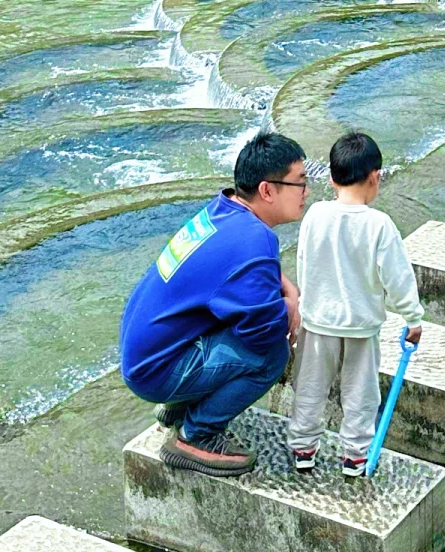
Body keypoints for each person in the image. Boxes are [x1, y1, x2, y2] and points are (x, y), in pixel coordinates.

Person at [119, 131, 308, 478]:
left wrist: (286, 289)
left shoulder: (224, 209)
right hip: (156, 370)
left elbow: (242, 271)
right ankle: (196, 436)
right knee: (271, 355)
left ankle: (180, 407)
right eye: (300, 182)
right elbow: (264, 333)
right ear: (267, 190)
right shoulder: (254, 241)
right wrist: (290, 308)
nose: (306, 192)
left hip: (146, 353)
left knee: (239, 318)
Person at [288, 131, 423, 478]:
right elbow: (398, 278)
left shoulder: (315, 215)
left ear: (332, 178)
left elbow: (304, 262)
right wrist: (413, 318)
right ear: (375, 177)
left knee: (310, 388)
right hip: (361, 327)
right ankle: (355, 456)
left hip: (318, 322)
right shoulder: (379, 225)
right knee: (361, 395)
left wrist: (306, 306)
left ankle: (303, 448)